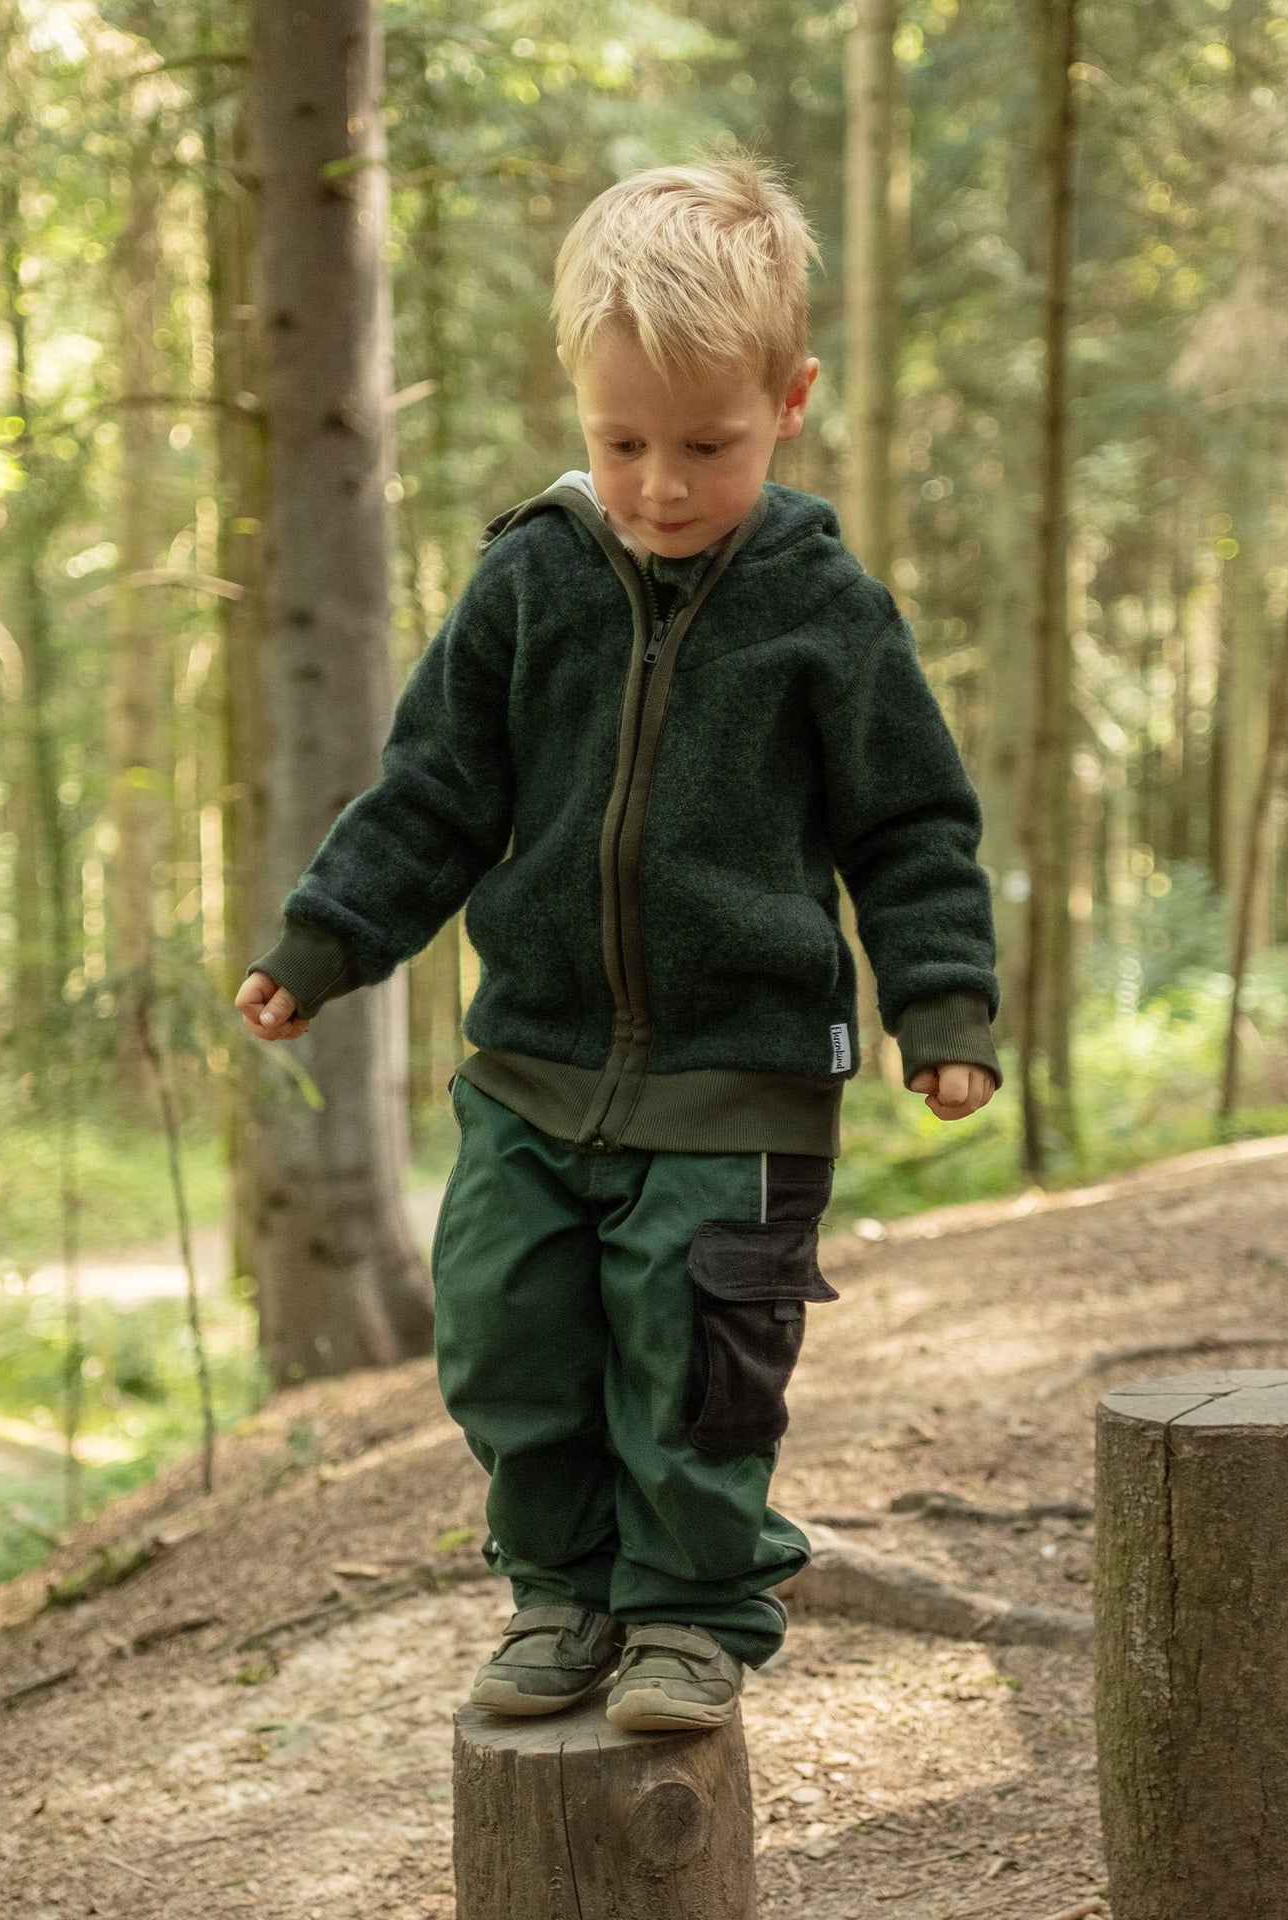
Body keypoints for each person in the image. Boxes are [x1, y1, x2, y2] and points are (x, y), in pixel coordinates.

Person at [235, 154, 1000, 1735]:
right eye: (620, 441)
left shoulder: (826, 611)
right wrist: (324, 942)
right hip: (536, 1066)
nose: (659, 484)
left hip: (744, 1082)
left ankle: (691, 1613)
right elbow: (434, 795)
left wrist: (942, 1007)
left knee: (699, 1363)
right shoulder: (531, 581)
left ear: (790, 401)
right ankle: (563, 1593)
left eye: (708, 445)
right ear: (577, 407)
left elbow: (911, 828)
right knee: (507, 1332)